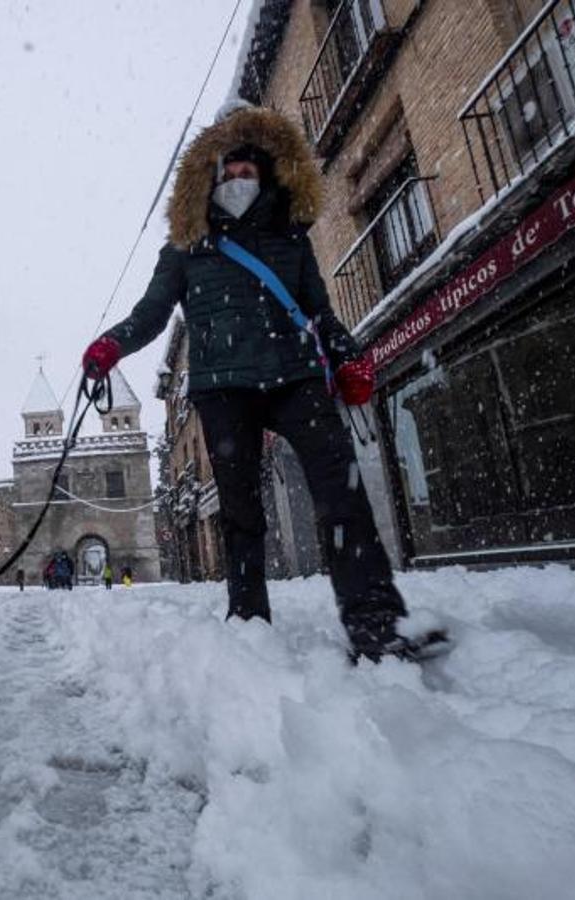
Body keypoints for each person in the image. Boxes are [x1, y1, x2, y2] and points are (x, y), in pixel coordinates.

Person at [81, 99, 441, 663]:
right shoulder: (185, 248)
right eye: (227, 170)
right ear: (211, 175)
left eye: (247, 170)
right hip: (222, 391)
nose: (237, 179)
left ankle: (375, 623)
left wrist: (347, 356)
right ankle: (249, 624)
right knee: (241, 512)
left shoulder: (289, 239)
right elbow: (150, 314)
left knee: (342, 495)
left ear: (268, 172)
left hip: (296, 377)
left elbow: (318, 310)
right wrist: (110, 346)